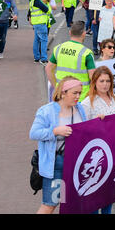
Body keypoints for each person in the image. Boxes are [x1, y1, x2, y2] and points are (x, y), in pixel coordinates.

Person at [29, 77, 87, 214]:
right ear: (63, 93)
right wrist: (55, 131)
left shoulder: (80, 109)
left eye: (80, 93)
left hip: (75, 164)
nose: (78, 96)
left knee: (69, 204)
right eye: (75, 93)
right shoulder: (47, 111)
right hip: (56, 165)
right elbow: (33, 133)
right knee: (50, 204)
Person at [81, 67, 115, 214]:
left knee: (108, 193)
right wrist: (95, 123)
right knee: (94, 193)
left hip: (113, 150)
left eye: (108, 80)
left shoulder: (114, 98)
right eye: (101, 81)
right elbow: (81, 130)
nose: (105, 84)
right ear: (94, 82)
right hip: (95, 155)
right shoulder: (87, 103)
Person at [45, 21, 96, 102]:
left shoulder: (58, 48)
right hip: (80, 98)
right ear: (84, 33)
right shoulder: (86, 53)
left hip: (62, 96)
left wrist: (56, 87)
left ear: (70, 33)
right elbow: (93, 77)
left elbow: (48, 68)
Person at [30, 0, 51, 65]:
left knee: (37, 40)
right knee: (44, 41)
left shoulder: (45, 4)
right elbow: (47, 10)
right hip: (41, 24)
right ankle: (43, 59)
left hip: (38, 24)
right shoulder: (38, 2)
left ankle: (36, 58)